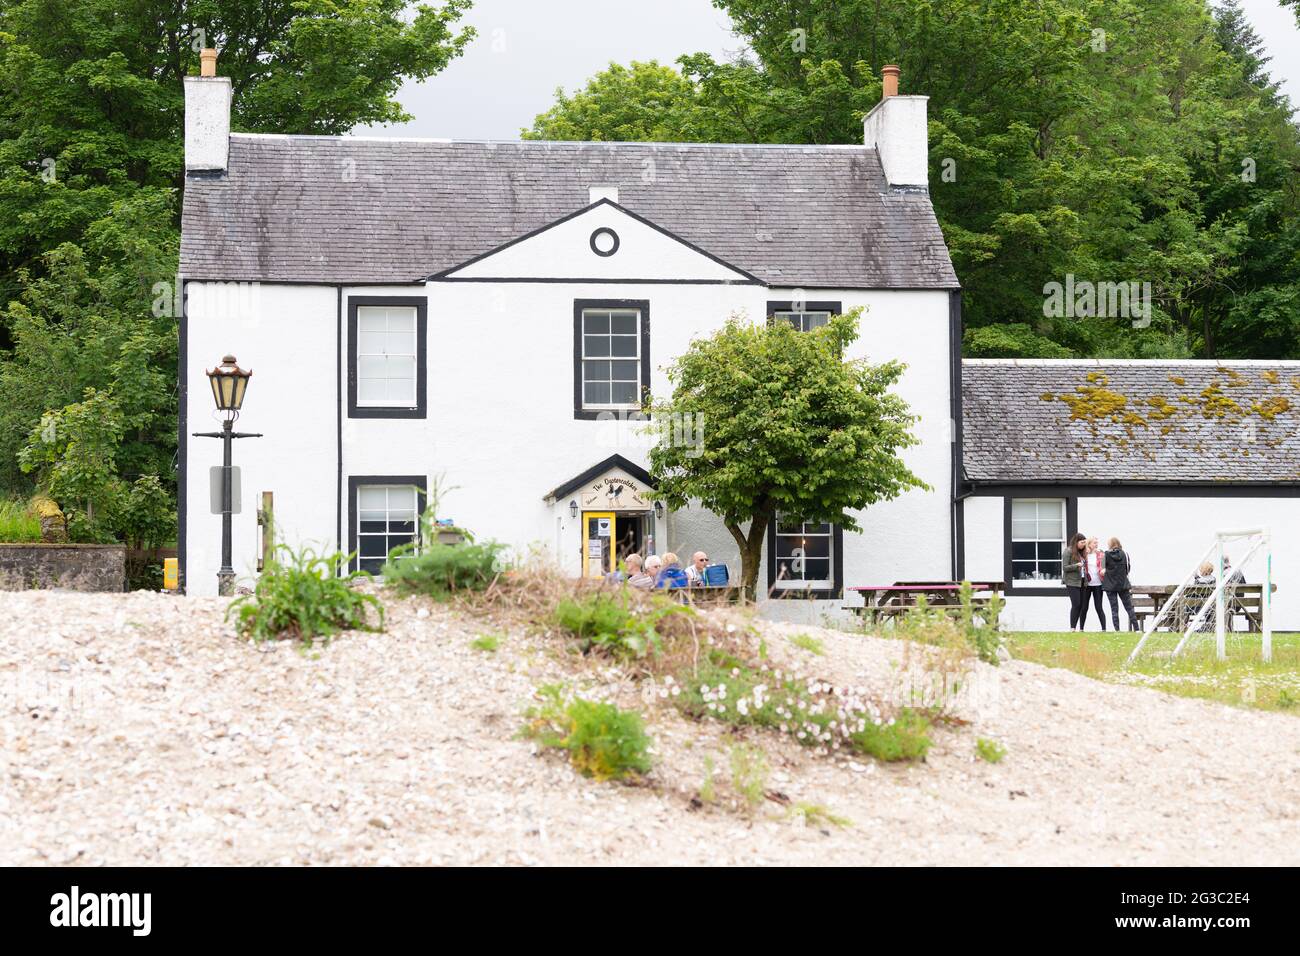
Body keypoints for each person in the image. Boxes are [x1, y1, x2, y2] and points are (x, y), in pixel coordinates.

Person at [1103, 536, 1138, 631]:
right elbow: (1128, 569)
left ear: (1110, 545)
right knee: (1129, 607)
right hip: (1123, 584)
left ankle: (1117, 629)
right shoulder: (1125, 554)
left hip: (1110, 585)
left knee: (1114, 609)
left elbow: (1103, 569)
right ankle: (1137, 628)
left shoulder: (1106, 555)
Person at [1061, 532, 1087, 630]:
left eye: (1084, 542)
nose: (1083, 544)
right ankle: (1072, 627)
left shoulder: (1082, 552)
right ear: (1076, 542)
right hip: (1072, 582)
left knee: (1081, 605)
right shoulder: (1068, 551)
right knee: (1076, 604)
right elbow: (1065, 567)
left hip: (1082, 581)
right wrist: (1076, 565)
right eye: (1082, 542)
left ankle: (1076, 628)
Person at [1083, 536, 1106, 630]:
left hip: (1098, 584)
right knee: (1084, 608)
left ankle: (1104, 628)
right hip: (1087, 585)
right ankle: (1081, 628)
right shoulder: (1084, 555)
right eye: (1094, 543)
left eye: (1097, 542)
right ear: (1089, 544)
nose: (1096, 544)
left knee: (1099, 608)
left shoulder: (1101, 554)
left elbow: (1106, 565)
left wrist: (1104, 569)